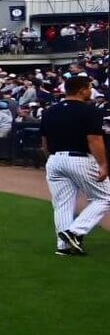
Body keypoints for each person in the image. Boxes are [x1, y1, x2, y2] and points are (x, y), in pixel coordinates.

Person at [41, 74, 109, 257]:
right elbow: (94, 139)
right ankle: (74, 232)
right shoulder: (90, 111)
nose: (90, 91)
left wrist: (51, 159)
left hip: (54, 159)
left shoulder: (50, 111)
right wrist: (103, 164)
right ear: (81, 90)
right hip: (79, 158)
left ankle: (65, 246)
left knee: (62, 204)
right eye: (88, 88)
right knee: (105, 197)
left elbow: (44, 143)